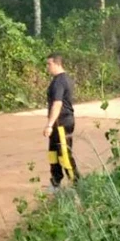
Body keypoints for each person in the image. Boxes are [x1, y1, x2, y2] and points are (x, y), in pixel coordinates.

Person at [43, 53, 76, 191]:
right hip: (58, 123)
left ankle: (76, 183)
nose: (47, 67)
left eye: (49, 64)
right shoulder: (60, 79)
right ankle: (56, 181)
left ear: (57, 64)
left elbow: (57, 104)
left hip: (62, 122)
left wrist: (49, 125)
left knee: (64, 155)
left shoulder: (60, 81)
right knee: (53, 154)